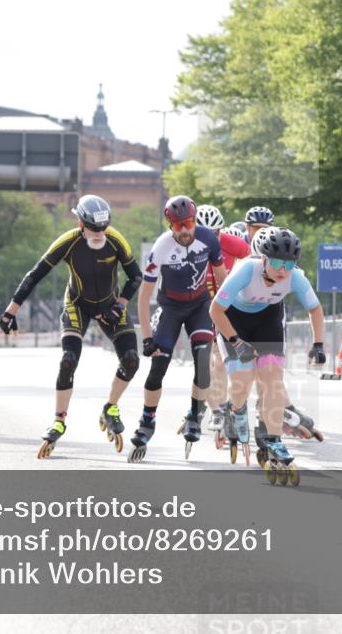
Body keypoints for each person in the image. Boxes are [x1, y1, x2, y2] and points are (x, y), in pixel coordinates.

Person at [0, 195, 143, 459]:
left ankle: (110, 407)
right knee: (69, 359)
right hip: (77, 304)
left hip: (111, 305)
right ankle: (58, 420)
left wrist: (120, 305)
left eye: (103, 228)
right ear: (80, 223)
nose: (100, 234)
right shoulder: (68, 242)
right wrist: (11, 311)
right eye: (94, 229)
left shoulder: (116, 240)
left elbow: (136, 276)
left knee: (132, 360)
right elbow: (35, 275)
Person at [210, 227, 326, 485]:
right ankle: (233, 410)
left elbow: (315, 310)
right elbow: (216, 309)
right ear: (262, 258)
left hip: (267, 320)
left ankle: (272, 440)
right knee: (242, 380)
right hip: (233, 320)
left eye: (288, 263)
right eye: (275, 262)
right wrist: (235, 341)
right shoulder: (245, 270)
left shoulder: (294, 276)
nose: (282, 269)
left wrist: (318, 343)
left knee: (272, 379)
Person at [128, 195, 228, 463]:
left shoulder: (208, 238)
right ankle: (147, 419)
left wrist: (228, 315)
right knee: (158, 366)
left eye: (189, 223)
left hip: (200, 307)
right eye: (178, 225)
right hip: (170, 308)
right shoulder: (161, 247)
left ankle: (195, 414)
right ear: (170, 225)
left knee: (203, 359)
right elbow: (144, 294)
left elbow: (223, 279)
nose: (185, 230)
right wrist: (147, 337)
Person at [193, 205, 250, 444]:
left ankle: (230, 407)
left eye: (215, 234)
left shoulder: (231, 243)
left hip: (226, 305)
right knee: (206, 363)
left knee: (221, 360)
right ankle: (215, 408)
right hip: (199, 305)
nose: (211, 239)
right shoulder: (186, 246)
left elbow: (254, 263)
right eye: (205, 234)